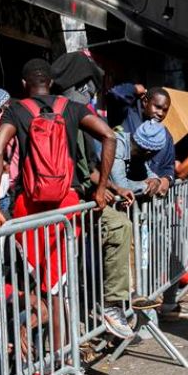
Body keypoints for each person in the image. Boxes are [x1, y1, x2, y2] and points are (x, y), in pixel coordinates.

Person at [0, 58, 117, 359]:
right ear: (51, 81)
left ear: (24, 84)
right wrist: (101, 189)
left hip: (29, 208)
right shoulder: (71, 108)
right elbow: (109, 136)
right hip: (66, 208)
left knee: (35, 285)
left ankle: (40, 357)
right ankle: (62, 359)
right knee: (59, 289)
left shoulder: (16, 110)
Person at [51, 52, 138, 339]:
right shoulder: (62, 116)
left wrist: (113, 187)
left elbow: (90, 170)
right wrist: (101, 191)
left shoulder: (80, 121)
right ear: (80, 87)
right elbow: (105, 145)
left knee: (116, 231)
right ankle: (101, 312)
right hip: (62, 207)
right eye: (89, 87)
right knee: (116, 228)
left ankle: (109, 306)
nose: (92, 94)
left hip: (82, 202)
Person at [107, 84, 175, 197]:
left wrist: (164, 180)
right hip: (121, 199)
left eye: (165, 110)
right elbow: (114, 95)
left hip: (149, 206)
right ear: (145, 101)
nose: (160, 113)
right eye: (157, 107)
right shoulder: (125, 115)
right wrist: (134, 89)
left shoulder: (166, 136)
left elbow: (169, 167)